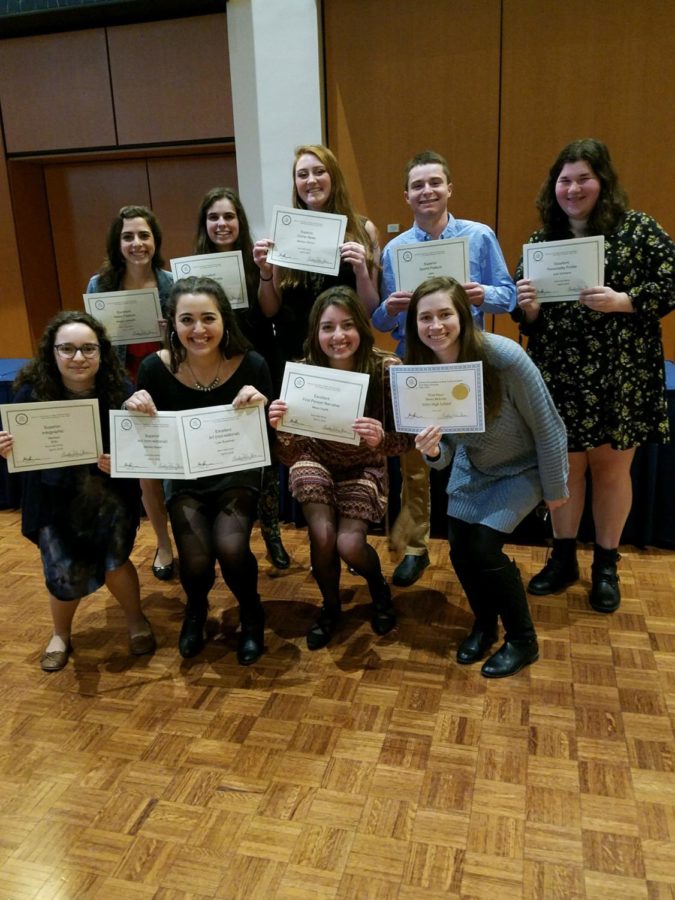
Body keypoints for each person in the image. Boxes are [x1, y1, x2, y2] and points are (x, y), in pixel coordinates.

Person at [514, 138, 675, 613]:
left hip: (618, 376)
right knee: (567, 470)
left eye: (584, 178)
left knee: (611, 470)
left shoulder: (638, 229)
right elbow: (529, 320)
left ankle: (606, 563)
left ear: (602, 182)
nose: (573, 188)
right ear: (554, 187)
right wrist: (529, 309)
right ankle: (563, 558)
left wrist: (624, 301)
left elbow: (672, 280)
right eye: (565, 180)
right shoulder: (543, 242)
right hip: (560, 375)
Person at [408, 277, 568, 678]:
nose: (436, 325)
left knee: (483, 545)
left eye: (445, 314)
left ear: (464, 315)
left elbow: (548, 426)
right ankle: (484, 623)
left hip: (523, 466)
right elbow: (443, 456)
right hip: (475, 462)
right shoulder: (424, 371)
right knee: (459, 547)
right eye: (425, 317)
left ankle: (522, 639)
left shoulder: (504, 357)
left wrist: (555, 489)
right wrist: (430, 450)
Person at [372, 150, 516, 588]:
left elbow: (508, 296)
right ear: (407, 195)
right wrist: (389, 306)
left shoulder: (478, 236)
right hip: (417, 367)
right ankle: (414, 547)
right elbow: (380, 321)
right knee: (417, 462)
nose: (427, 191)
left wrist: (480, 295)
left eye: (434, 182)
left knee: (475, 456)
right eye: (418, 185)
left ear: (449, 187)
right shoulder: (396, 250)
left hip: (469, 365)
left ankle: (476, 543)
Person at [126, 276, 272, 665]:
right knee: (195, 559)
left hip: (236, 474)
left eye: (208, 318)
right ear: (172, 324)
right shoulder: (154, 370)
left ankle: (252, 611)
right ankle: (196, 608)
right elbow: (146, 441)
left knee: (230, 546)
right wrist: (136, 407)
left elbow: (271, 438)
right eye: (186, 319)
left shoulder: (253, 364)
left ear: (224, 319)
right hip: (185, 478)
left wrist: (262, 406)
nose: (198, 329)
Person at [0, 311, 156, 672]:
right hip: (54, 498)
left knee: (115, 562)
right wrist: (7, 445)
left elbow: (143, 452)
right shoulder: (29, 393)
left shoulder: (122, 392)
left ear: (102, 352)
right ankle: (60, 634)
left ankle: (135, 621)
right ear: (51, 353)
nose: (78, 357)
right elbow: (20, 450)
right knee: (61, 571)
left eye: (88, 348)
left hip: (109, 496)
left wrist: (123, 457)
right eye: (67, 349)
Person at [268, 286, 413, 650]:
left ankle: (378, 588)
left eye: (347, 325)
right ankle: (330, 609)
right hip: (313, 460)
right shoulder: (302, 373)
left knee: (349, 544)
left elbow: (407, 441)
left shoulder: (385, 369)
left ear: (362, 328)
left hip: (363, 466)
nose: (338, 336)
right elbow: (288, 457)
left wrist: (381, 439)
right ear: (315, 333)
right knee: (324, 536)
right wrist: (281, 429)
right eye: (327, 327)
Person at [193, 186, 290, 569]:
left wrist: (266, 273)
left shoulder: (259, 260)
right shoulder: (191, 270)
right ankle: (227, 529)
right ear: (205, 224)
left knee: (264, 450)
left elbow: (270, 312)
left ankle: (272, 532)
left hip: (256, 365)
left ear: (240, 221)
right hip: (211, 369)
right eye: (214, 217)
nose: (221, 223)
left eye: (229, 216)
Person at [86, 205, 175, 582]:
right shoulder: (100, 285)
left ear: (155, 241)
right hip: (125, 390)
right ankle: (164, 544)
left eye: (144, 236)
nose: (137, 243)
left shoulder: (172, 283)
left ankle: (189, 537)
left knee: (179, 471)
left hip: (170, 385)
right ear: (117, 243)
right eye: (128, 236)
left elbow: (197, 337)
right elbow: (93, 344)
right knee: (147, 476)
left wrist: (169, 331)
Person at [256, 144, 381, 364]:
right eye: (302, 175)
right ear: (296, 184)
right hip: (294, 352)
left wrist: (361, 271)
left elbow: (369, 310)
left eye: (319, 171)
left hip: (344, 351)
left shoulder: (363, 230)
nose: (311, 180)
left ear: (334, 176)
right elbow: (270, 310)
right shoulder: (284, 232)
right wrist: (265, 272)